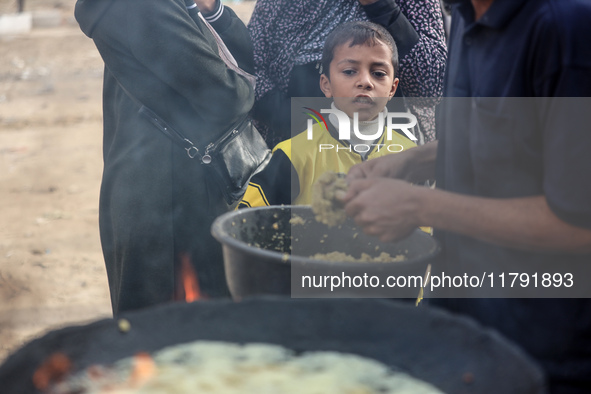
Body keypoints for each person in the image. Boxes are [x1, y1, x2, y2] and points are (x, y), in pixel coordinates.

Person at [340, 0, 591, 392]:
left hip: (545, 350)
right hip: (461, 317)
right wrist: (415, 160)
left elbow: (579, 222)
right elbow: (511, 136)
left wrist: (419, 205)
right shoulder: (465, 12)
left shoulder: (569, 28)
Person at [74, 0, 255, 314]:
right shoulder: (141, 6)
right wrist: (250, 90)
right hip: (166, 201)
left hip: (171, 187)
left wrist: (211, 10)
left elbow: (246, 59)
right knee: (166, 340)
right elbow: (226, 96)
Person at [238, 21, 416, 208]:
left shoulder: (411, 158)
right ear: (326, 85)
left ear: (392, 89)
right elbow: (248, 223)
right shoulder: (294, 155)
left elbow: (422, 232)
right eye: (349, 71)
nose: (365, 82)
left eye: (378, 73)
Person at [247, 0, 447, 147]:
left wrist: (379, 6)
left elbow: (431, 86)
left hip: (387, 153)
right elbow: (249, 69)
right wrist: (292, 120)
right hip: (298, 151)